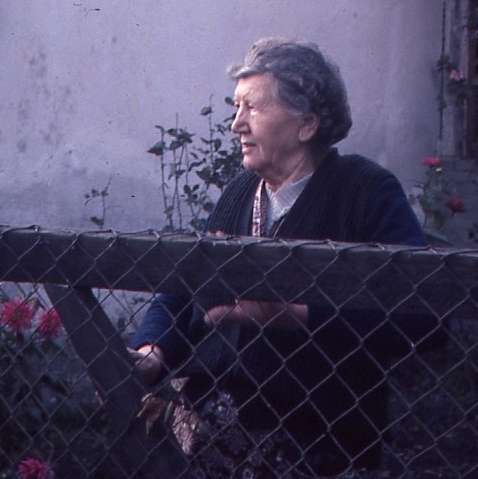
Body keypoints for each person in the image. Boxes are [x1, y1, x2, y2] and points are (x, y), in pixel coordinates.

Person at [130, 38, 437, 476]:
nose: (236, 124)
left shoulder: (365, 191)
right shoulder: (240, 192)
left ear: (307, 124)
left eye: (252, 108)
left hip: (315, 438)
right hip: (201, 429)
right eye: (236, 107)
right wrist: (152, 350)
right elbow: (183, 289)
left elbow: (423, 315)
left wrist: (298, 316)